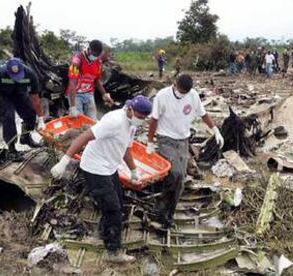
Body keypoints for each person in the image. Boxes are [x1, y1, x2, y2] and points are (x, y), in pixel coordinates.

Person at [51, 95, 152, 263]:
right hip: (95, 168)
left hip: (109, 167)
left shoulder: (132, 125)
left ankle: (104, 232)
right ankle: (112, 252)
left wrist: (133, 170)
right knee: (113, 209)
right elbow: (83, 137)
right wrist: (64, 161)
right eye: (140, 117)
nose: (141, 120)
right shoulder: (114, 121)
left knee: (118, 202)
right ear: (130, 109)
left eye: (144, 118)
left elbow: (126, 148)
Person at [146, 74, 224, 227]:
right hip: (166, 139)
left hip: (183, 140)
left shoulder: (193, 95)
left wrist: (215, 130)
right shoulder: (162, 96)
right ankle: (161, 209)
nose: (182, 95)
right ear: (174, 84)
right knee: (176, 173)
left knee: (180, 180)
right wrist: (149, 141)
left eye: (185, 93)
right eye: (180, 91)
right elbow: (153, 120)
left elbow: (203, 114)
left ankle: (168, 213)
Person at [66, 40, 114, 120]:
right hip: (76, 94)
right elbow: (72, 84)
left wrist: (104, 94)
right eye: (95, 54)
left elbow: (96, 80)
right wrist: (73, 107)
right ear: (89, 50)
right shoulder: (76, 61)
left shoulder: (98, 61)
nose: (96, 57)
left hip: (89, 94)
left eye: (98, 55)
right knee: (78, 120)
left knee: (92, 120)